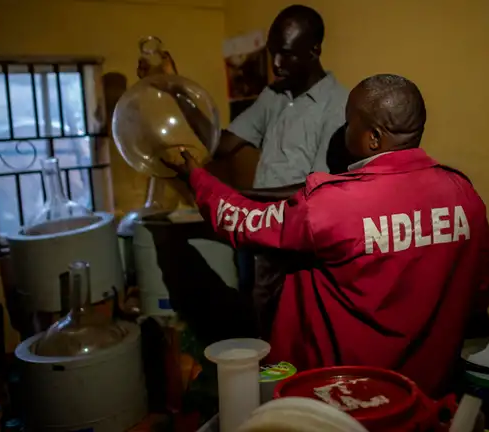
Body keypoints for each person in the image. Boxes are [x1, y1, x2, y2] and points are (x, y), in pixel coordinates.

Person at [164, 73, 489, 397]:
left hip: (341, 395)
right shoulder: (462, 194)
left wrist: (196, 177)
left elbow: (242, 222)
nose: (344, 130)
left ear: (374, 138)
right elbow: (480, 290)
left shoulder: (334, 204)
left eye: (349, 123)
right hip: (425, 391)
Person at [138, 4, 349, 338]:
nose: (276, 64)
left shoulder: (337, 105)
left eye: (286, 54)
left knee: (293, 333)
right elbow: (221, 145)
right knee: (260, 327)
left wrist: (232, 198)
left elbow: (316, 193)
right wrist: (175, 88)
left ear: (313, 50)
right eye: (272, 52)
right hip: (258, 235)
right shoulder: (274, 96)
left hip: (297, 248)